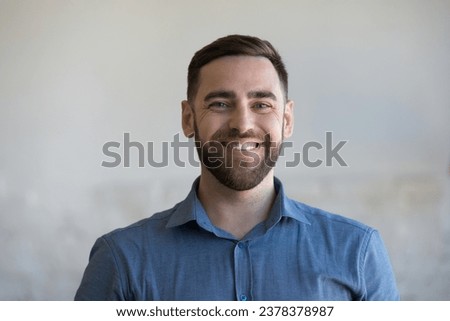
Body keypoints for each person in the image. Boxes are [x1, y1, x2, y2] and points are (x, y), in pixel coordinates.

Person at [75, 34, 399, 300]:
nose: (242, 124)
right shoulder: (122, 259)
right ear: (189, 119)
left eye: (261, 104)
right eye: (220, 104)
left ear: (286, 120)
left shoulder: (357, 251)